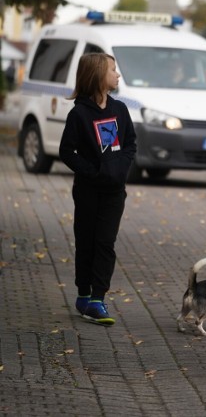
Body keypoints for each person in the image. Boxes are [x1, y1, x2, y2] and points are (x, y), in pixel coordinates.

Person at [59, 53, 137, 326]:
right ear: (97, 75)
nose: (118, 75)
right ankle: (83, 291)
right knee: (86, 241)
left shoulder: (120, 110)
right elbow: (66, 151)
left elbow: (130, 145)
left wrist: (119, 169)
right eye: (113, 70)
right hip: (88, 190)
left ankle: (97, 299)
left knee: (105, 242)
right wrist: (92, 172)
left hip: (114, 191)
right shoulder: (79, 114)